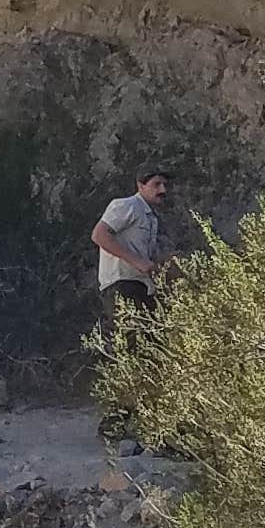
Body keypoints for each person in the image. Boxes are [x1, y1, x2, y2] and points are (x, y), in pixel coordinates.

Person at [93, 169, 173, 449]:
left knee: (150, 352)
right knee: (134, 352)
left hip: (140, 288)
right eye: (156, 184)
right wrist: (135, 261)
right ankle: (115, 425)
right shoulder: (125, 206)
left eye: (165, 185)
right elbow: (100, 235)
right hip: (121, 286)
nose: (162, 190)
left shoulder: (150, 217)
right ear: (140, 185)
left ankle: (145, 422)